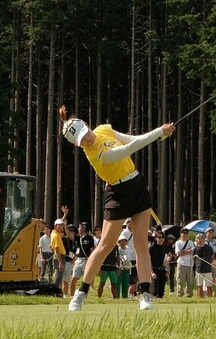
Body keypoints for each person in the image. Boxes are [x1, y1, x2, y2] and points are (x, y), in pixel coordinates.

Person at [60, 105, 176, 312]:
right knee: (105, 244)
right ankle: (81, 293)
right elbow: (127, 150)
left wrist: (161, 135)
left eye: (85, 134)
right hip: (117, 193)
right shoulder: (94, 155)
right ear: (77, 144)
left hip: (137, 185)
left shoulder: (104, 129)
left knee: (141, 243)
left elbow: (131, 140)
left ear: (87, 126)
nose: (86, 140)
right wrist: (159, 131)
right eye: (81, 141)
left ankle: (145, 295)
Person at [69, 222, 95, 294]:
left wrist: (91, 259)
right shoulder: (78, 237)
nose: (78, 229)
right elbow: (69, 235)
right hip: (79, 259)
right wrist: (65, 226)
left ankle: (84, 295)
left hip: (87, 260)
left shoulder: (90, 238)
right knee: (74, 278)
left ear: (84, 228)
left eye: (80, 227)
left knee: (86, 280)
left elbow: (92, 250)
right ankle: (72, 295)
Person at [174, 227, 195, 297]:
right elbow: (178, 253)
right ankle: (180, 293)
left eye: (186, 233)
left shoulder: (191, 242)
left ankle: (189, 293)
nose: (185, 234)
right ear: (181, 234)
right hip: (181, 263)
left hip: (190, 264)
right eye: (183, 233)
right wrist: (187, 251)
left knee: (190, 280)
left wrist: (183, 251)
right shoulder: (178, 243)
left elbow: (192, 251)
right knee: (180, 279)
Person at [194, 232, 214, 298]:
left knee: (209, 286)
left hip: (208, 269)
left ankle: (209, 299)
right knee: (200, 285)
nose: (200, 240)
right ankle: (201, 299)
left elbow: (212, 257)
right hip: (199, 270)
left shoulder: (209, 248)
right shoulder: (195, 249)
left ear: (204, 239)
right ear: (196, 240)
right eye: (198, 239)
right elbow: (194, 259)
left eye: (201, 238)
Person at [117, 235, 135, 299]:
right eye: (121, 241)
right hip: (120, 268)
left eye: (124, 241)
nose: (123, 242)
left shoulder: (129, 249)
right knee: (118, 282)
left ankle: (125, 296)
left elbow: (131, 258)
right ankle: (117, 296)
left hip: (127, 267)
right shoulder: (118, 249)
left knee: (126, 282)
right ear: (119, 242)